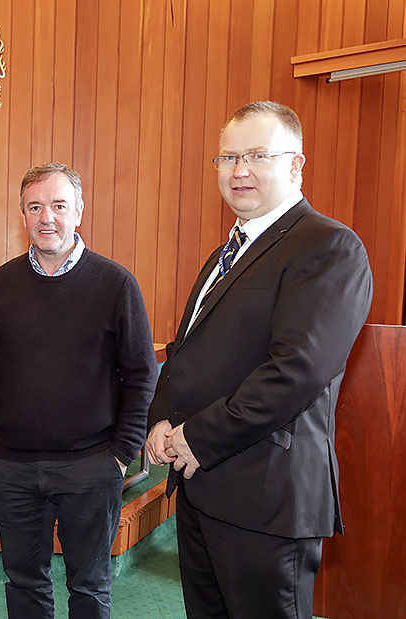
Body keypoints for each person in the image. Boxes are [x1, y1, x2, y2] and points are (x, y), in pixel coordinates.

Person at [145, 101, 373, 619]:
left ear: (296, 165)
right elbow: (187, 351)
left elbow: (296, 370)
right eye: (227, 158)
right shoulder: (226, 252)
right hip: (202, 487)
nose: (238, 170)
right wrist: (162, 416)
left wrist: (196, 436)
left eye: (257, 155)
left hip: (267, 495)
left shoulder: (329, 246)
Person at [0, 163, 158, 618]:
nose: (46, 217)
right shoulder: (0, 284)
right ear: (23, 215)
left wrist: (121, 453)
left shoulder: (116, 284)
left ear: (78, 212)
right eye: (35, 207)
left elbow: (141, 374)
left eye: (58, 206)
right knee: (24, 583)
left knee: (89, 588)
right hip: (12, 467)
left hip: (91, 464)